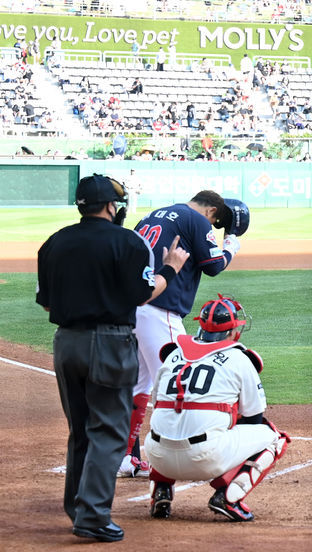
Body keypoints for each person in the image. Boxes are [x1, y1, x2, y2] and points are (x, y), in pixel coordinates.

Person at [36, 174, 189, 542]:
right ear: (110, 206)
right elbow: (142, 293)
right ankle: (92, 516)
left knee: (81, 429)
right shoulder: (127, 241)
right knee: (109, 429)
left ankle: (77, 506)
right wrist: (171, 268)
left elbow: (46, 302)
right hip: (109, 343)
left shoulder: (54, 243)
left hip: (65, 343)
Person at [118, 191, 244, 478]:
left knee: (139, 385)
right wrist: (230, 246)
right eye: (214, 220)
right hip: (162, 310)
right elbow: (214, 266)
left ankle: (125, 457)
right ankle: (183, 458)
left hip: (132, 306)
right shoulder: (196, 219)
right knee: (181, 386)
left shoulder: (153, 214)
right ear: (210, 210)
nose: (212, 225)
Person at [145, 294, 289, 522]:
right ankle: (228, 498)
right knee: (274, 437)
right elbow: (254, 417)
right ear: (234, 331)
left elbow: (158, 404)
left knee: (169, 418)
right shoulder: (239, 358)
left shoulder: (173, 354)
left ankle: (160, 492)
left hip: (157, 456)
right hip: (205, 458)